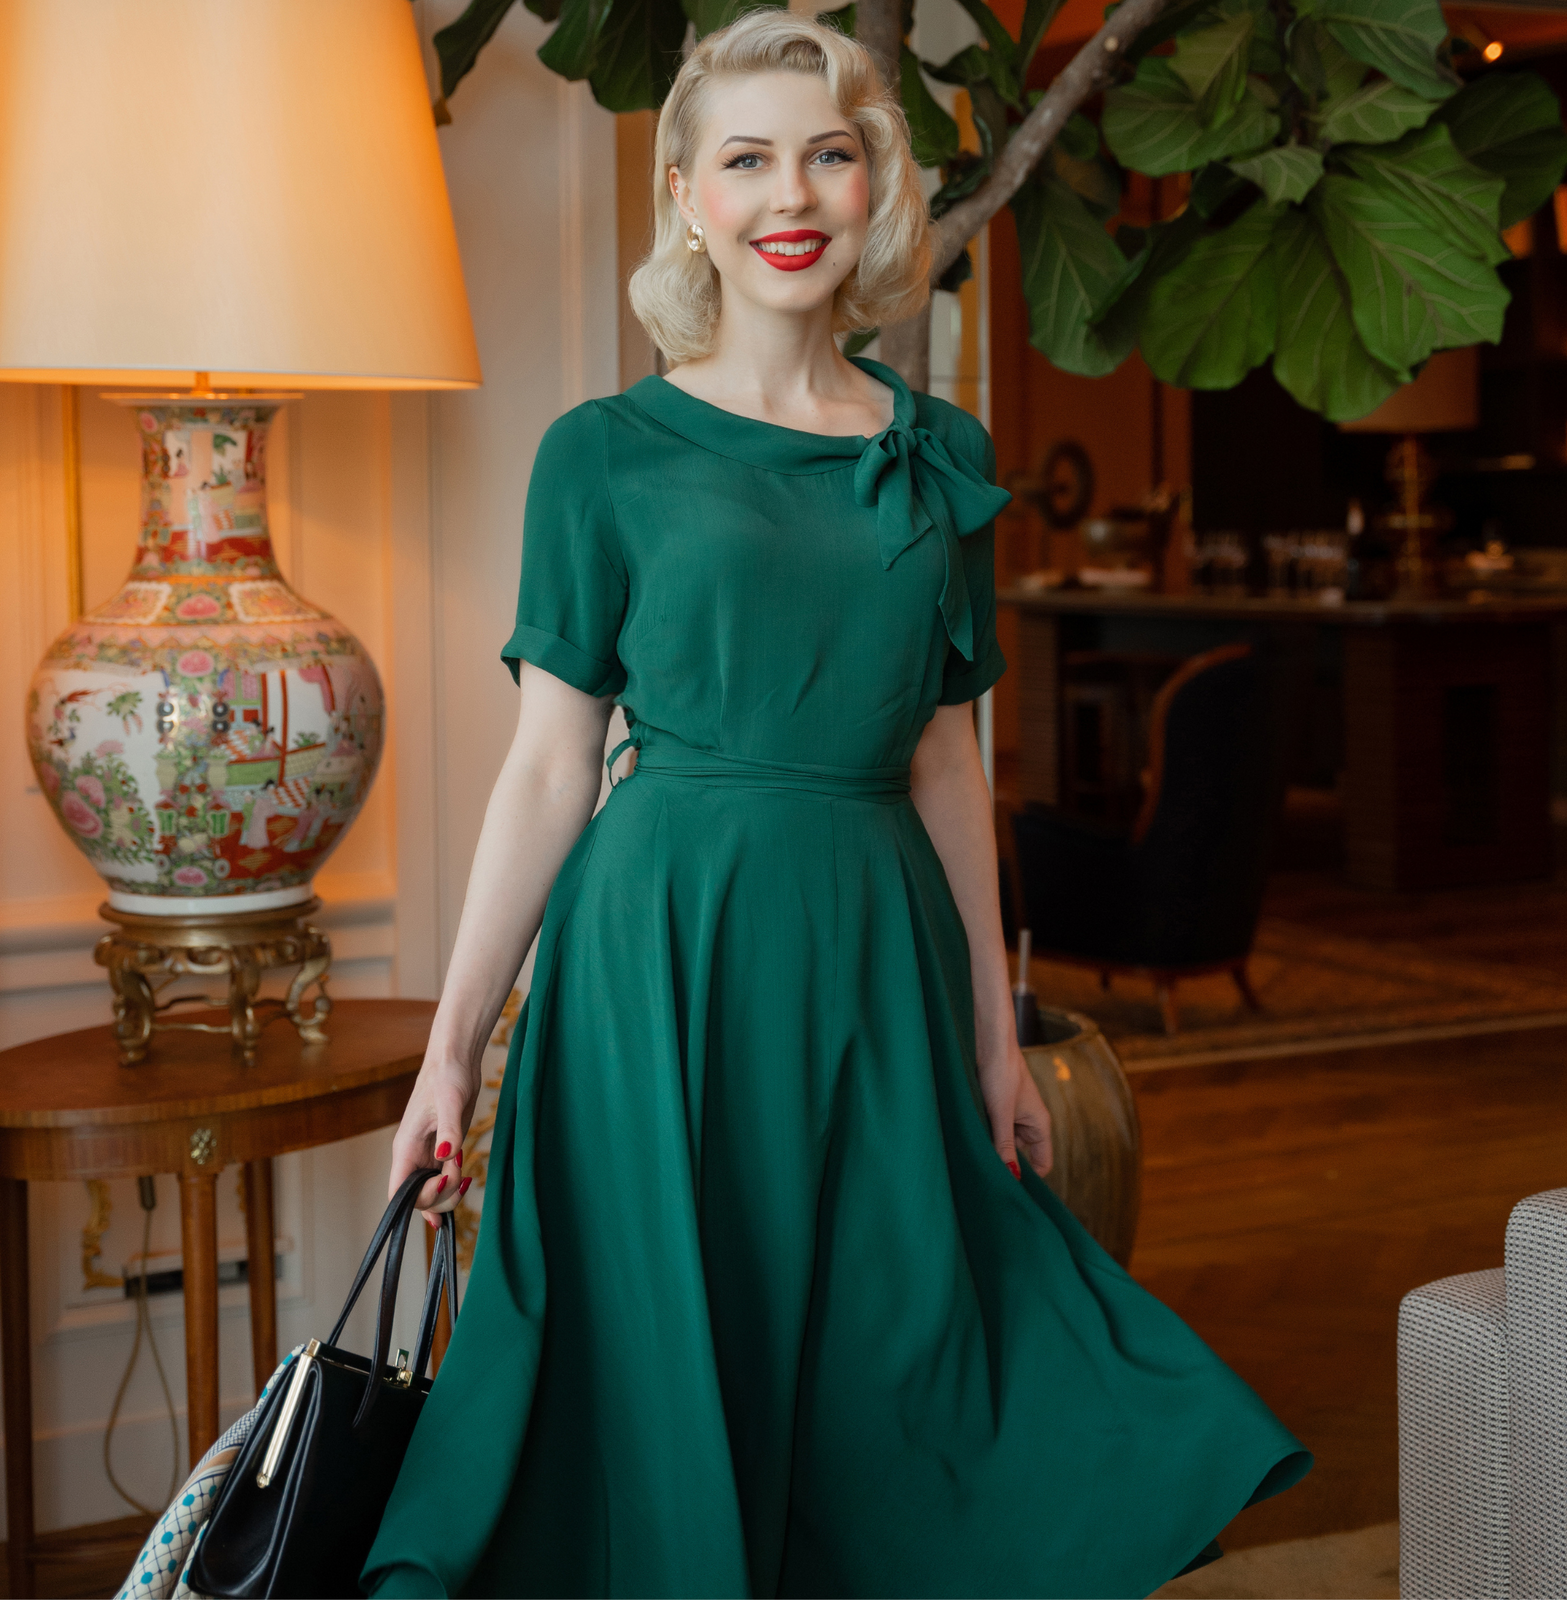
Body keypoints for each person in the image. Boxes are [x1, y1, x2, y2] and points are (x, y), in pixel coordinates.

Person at [363, 12, 1310, 1596]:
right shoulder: (601, 454)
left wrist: (996, 1039)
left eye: (828, 153)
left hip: (875, 954)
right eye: (746, 159)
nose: (790, 193)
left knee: (906, 1352)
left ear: (876, 184)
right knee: (665, 1351)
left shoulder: (944, 453)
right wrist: (451, 1052)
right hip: (658, 960)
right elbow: (549, 766)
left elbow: (946, 758)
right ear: (687, 195)